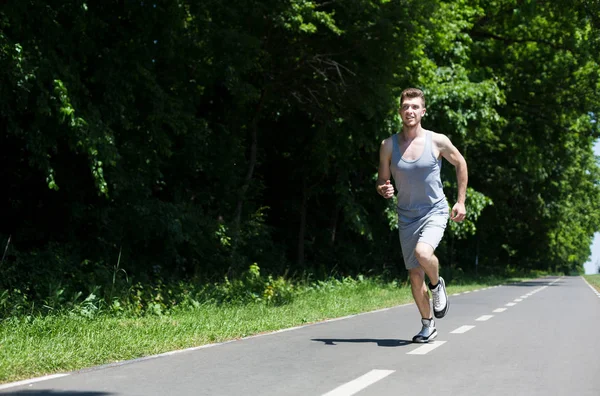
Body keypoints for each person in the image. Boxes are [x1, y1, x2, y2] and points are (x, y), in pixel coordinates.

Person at [376, 88, 468, 343]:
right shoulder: (388, 146)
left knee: (423, 253)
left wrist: (460, 201)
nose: (410, 111)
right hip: (406, 216)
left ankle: (438, 285)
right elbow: (382, 180)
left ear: (423, 111)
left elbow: (460, 163)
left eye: (415, 107)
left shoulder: (437, 141)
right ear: (400, 111)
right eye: (406, 106)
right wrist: (384, 188)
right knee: (415, 276)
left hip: (434, 211)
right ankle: (428, 325)